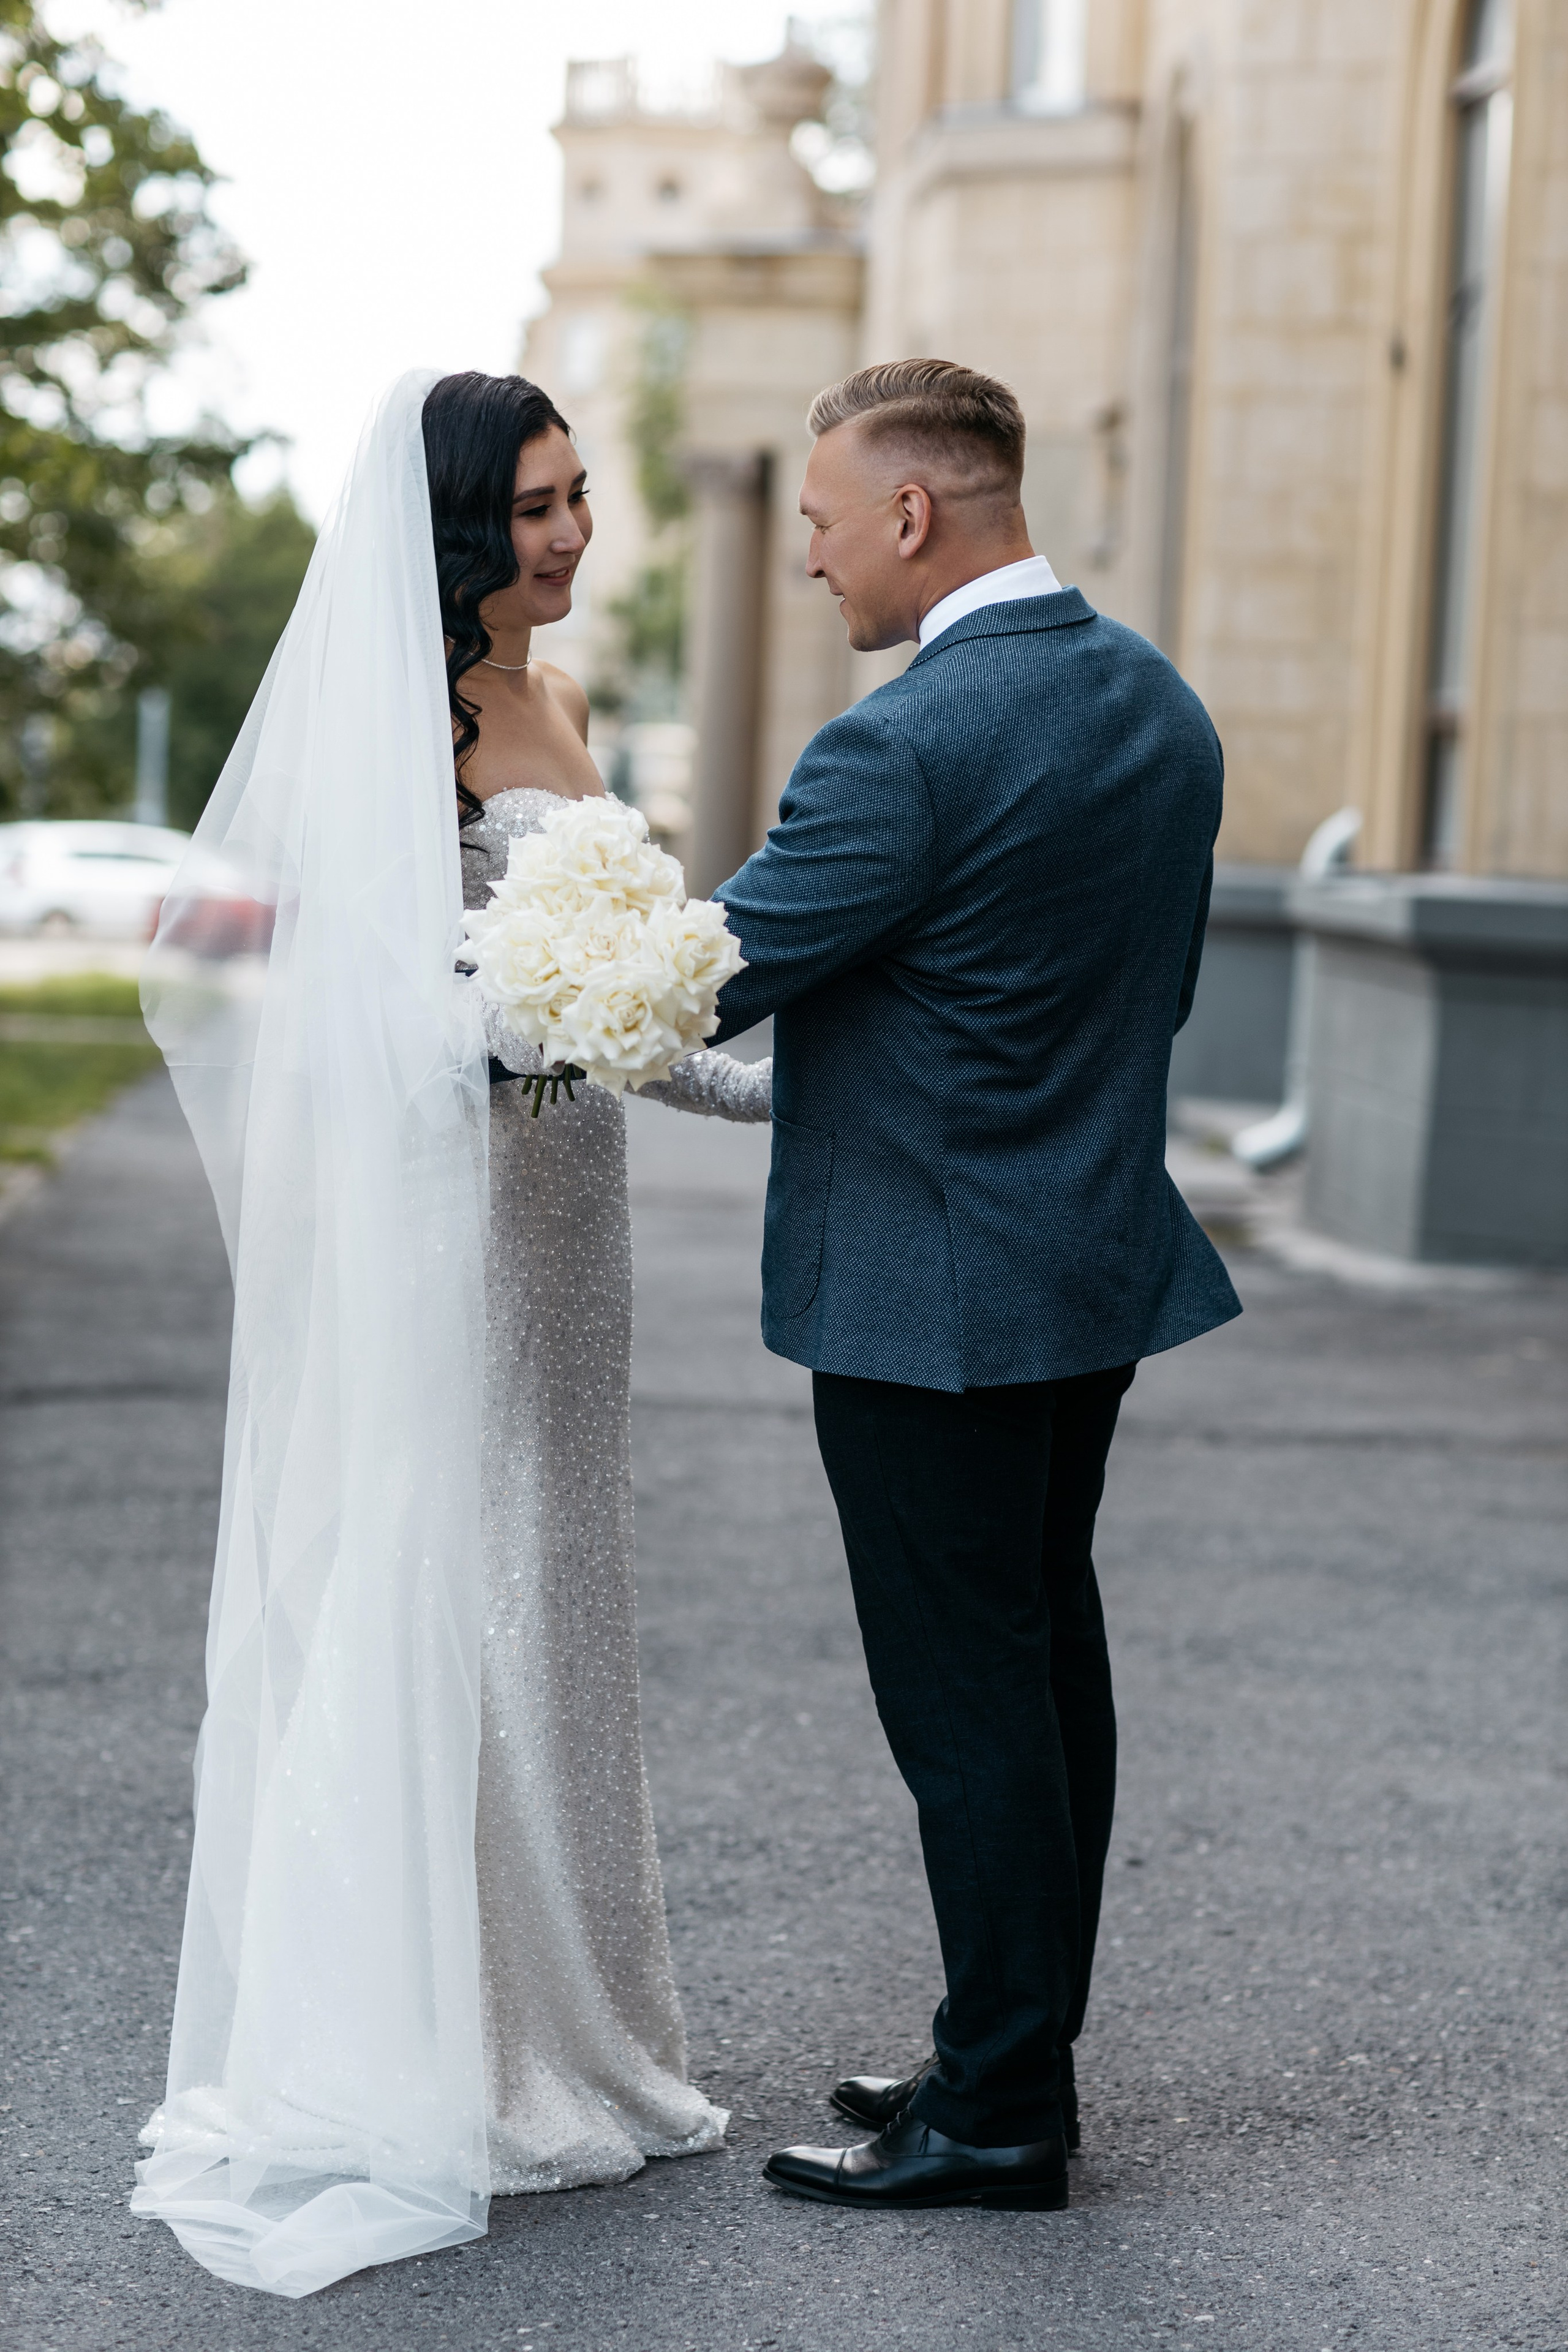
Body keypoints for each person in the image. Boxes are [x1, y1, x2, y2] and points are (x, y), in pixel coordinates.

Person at [133, 371, 766, 2298]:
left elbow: (646, 999)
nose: (573, 537)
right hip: (455, 1220)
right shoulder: (384, 729)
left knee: (557, 1590)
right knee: (456, 1579)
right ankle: (439, 2048)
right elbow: (248, 970)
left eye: (584, 499)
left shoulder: (560, 710)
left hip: (572, 1225)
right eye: (542, 509)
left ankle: (581, 2027)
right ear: (462, 530)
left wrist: (794, 1087)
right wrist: (489, 1029)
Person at [707, 358, 1242, 2214]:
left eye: (820, 522)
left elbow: (703, 984)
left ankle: (1005, 2111)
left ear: (912, 518)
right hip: (1085, 1263)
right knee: (1041, 1670)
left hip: (929, 1302)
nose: (810, 562)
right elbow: (1133, 1001)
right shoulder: (1158, 708)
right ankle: (1002, 2035)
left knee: (969, 1707)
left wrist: (468, 979)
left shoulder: (900, 747)